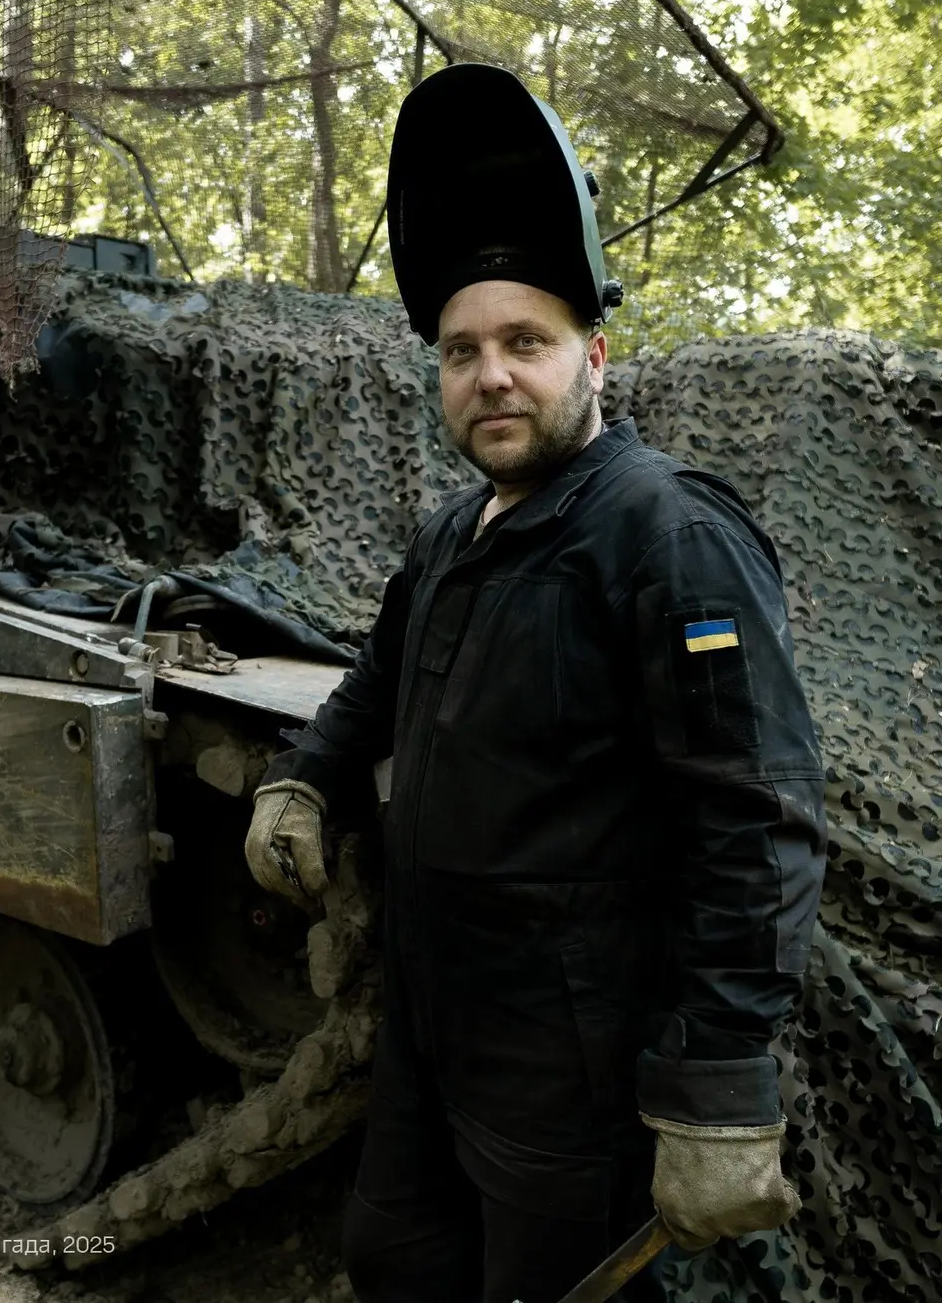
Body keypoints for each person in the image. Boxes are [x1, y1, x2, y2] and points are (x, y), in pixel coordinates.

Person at [241, 63, 829, 1303]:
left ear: (594, 357)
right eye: (462, 351)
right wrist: (302, 785)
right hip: (431, 1019)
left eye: (525, 344)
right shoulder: (453, 532)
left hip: (573, 1056)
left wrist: (719, 1091)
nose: (491, 375)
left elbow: (755, 817)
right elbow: (375, 680)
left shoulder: (665, 533)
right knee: (394, 1258)